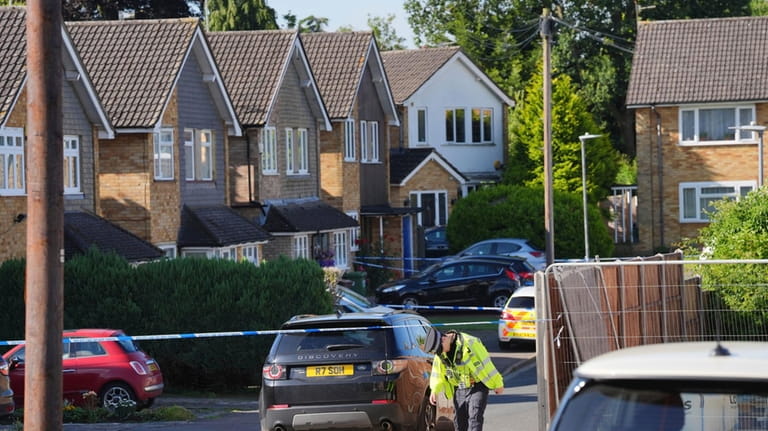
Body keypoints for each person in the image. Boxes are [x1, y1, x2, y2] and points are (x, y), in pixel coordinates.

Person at [420, 327, 504, 431]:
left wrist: (498, 383)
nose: (441, 354)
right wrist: (434, 390)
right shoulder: (440, 353)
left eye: (440, 350)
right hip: (459, 389)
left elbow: (487, 365)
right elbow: (437, 372)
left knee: (474, 419)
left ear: (443, 339)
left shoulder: (470, 343)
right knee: (459, 424)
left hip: (477, 386)